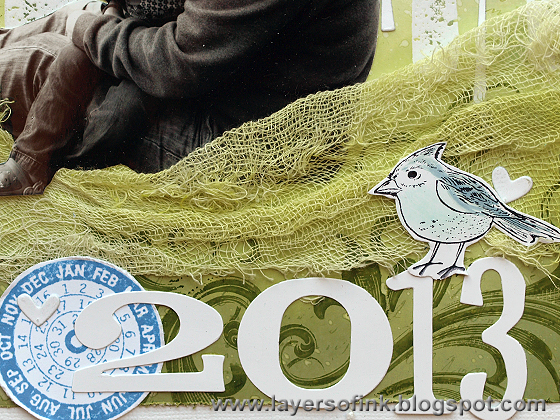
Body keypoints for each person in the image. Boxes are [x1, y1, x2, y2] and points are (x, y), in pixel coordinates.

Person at [0, 0, 380, 195]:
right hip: (219, 87)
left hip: (247, 146)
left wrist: (91, 29)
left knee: (45, 59)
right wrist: (100, 20)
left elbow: (175, 61)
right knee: (74, 21)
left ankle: (33, 163)